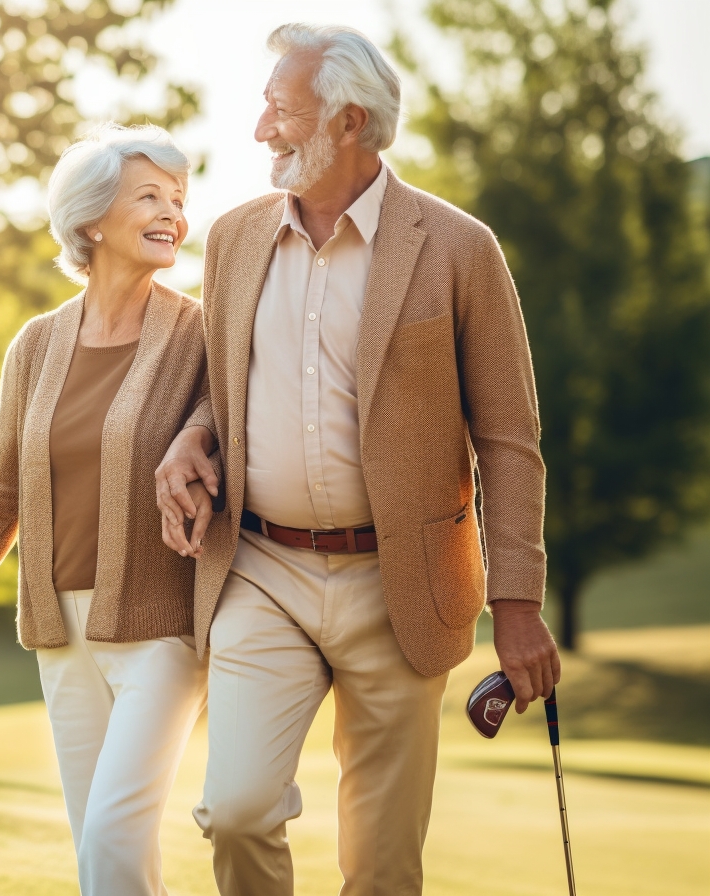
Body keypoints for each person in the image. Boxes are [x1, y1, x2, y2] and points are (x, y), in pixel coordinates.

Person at [153, 24, 562, 896]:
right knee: (235, 810)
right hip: (260, 570)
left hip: (400, 582)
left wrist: (518, 599)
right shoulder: (231, 239)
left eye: (281, 109)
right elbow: (224, 386)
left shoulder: (459, 249)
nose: (262, 128)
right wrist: (194, 435)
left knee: (381, 867)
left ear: (348, 121)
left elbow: (509, 439)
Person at [0, 123, 209, 896]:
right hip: (61, 631)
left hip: (163, 628)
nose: (173, 214)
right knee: (99, 847)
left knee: (116, 837)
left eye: (180, 199)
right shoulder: (36, 346)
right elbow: (2, 496)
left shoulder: (199, 334)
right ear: (90, 219)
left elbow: (220, 439)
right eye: (149, 195)